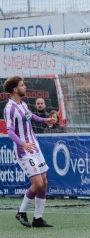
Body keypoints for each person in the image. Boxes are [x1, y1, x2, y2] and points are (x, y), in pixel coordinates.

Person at [3, 76, 56, 227]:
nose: (25, 87)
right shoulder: (9, 108)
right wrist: (23, 143)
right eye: (22, 85)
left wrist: (44, 120)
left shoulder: (23, 104)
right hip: (24, 150)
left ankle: (38, 218)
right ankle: (21, 211)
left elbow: (30, 116)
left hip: (35, 147)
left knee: (44, 182)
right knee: (38, 183)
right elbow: (10, 132)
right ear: (15, 89)